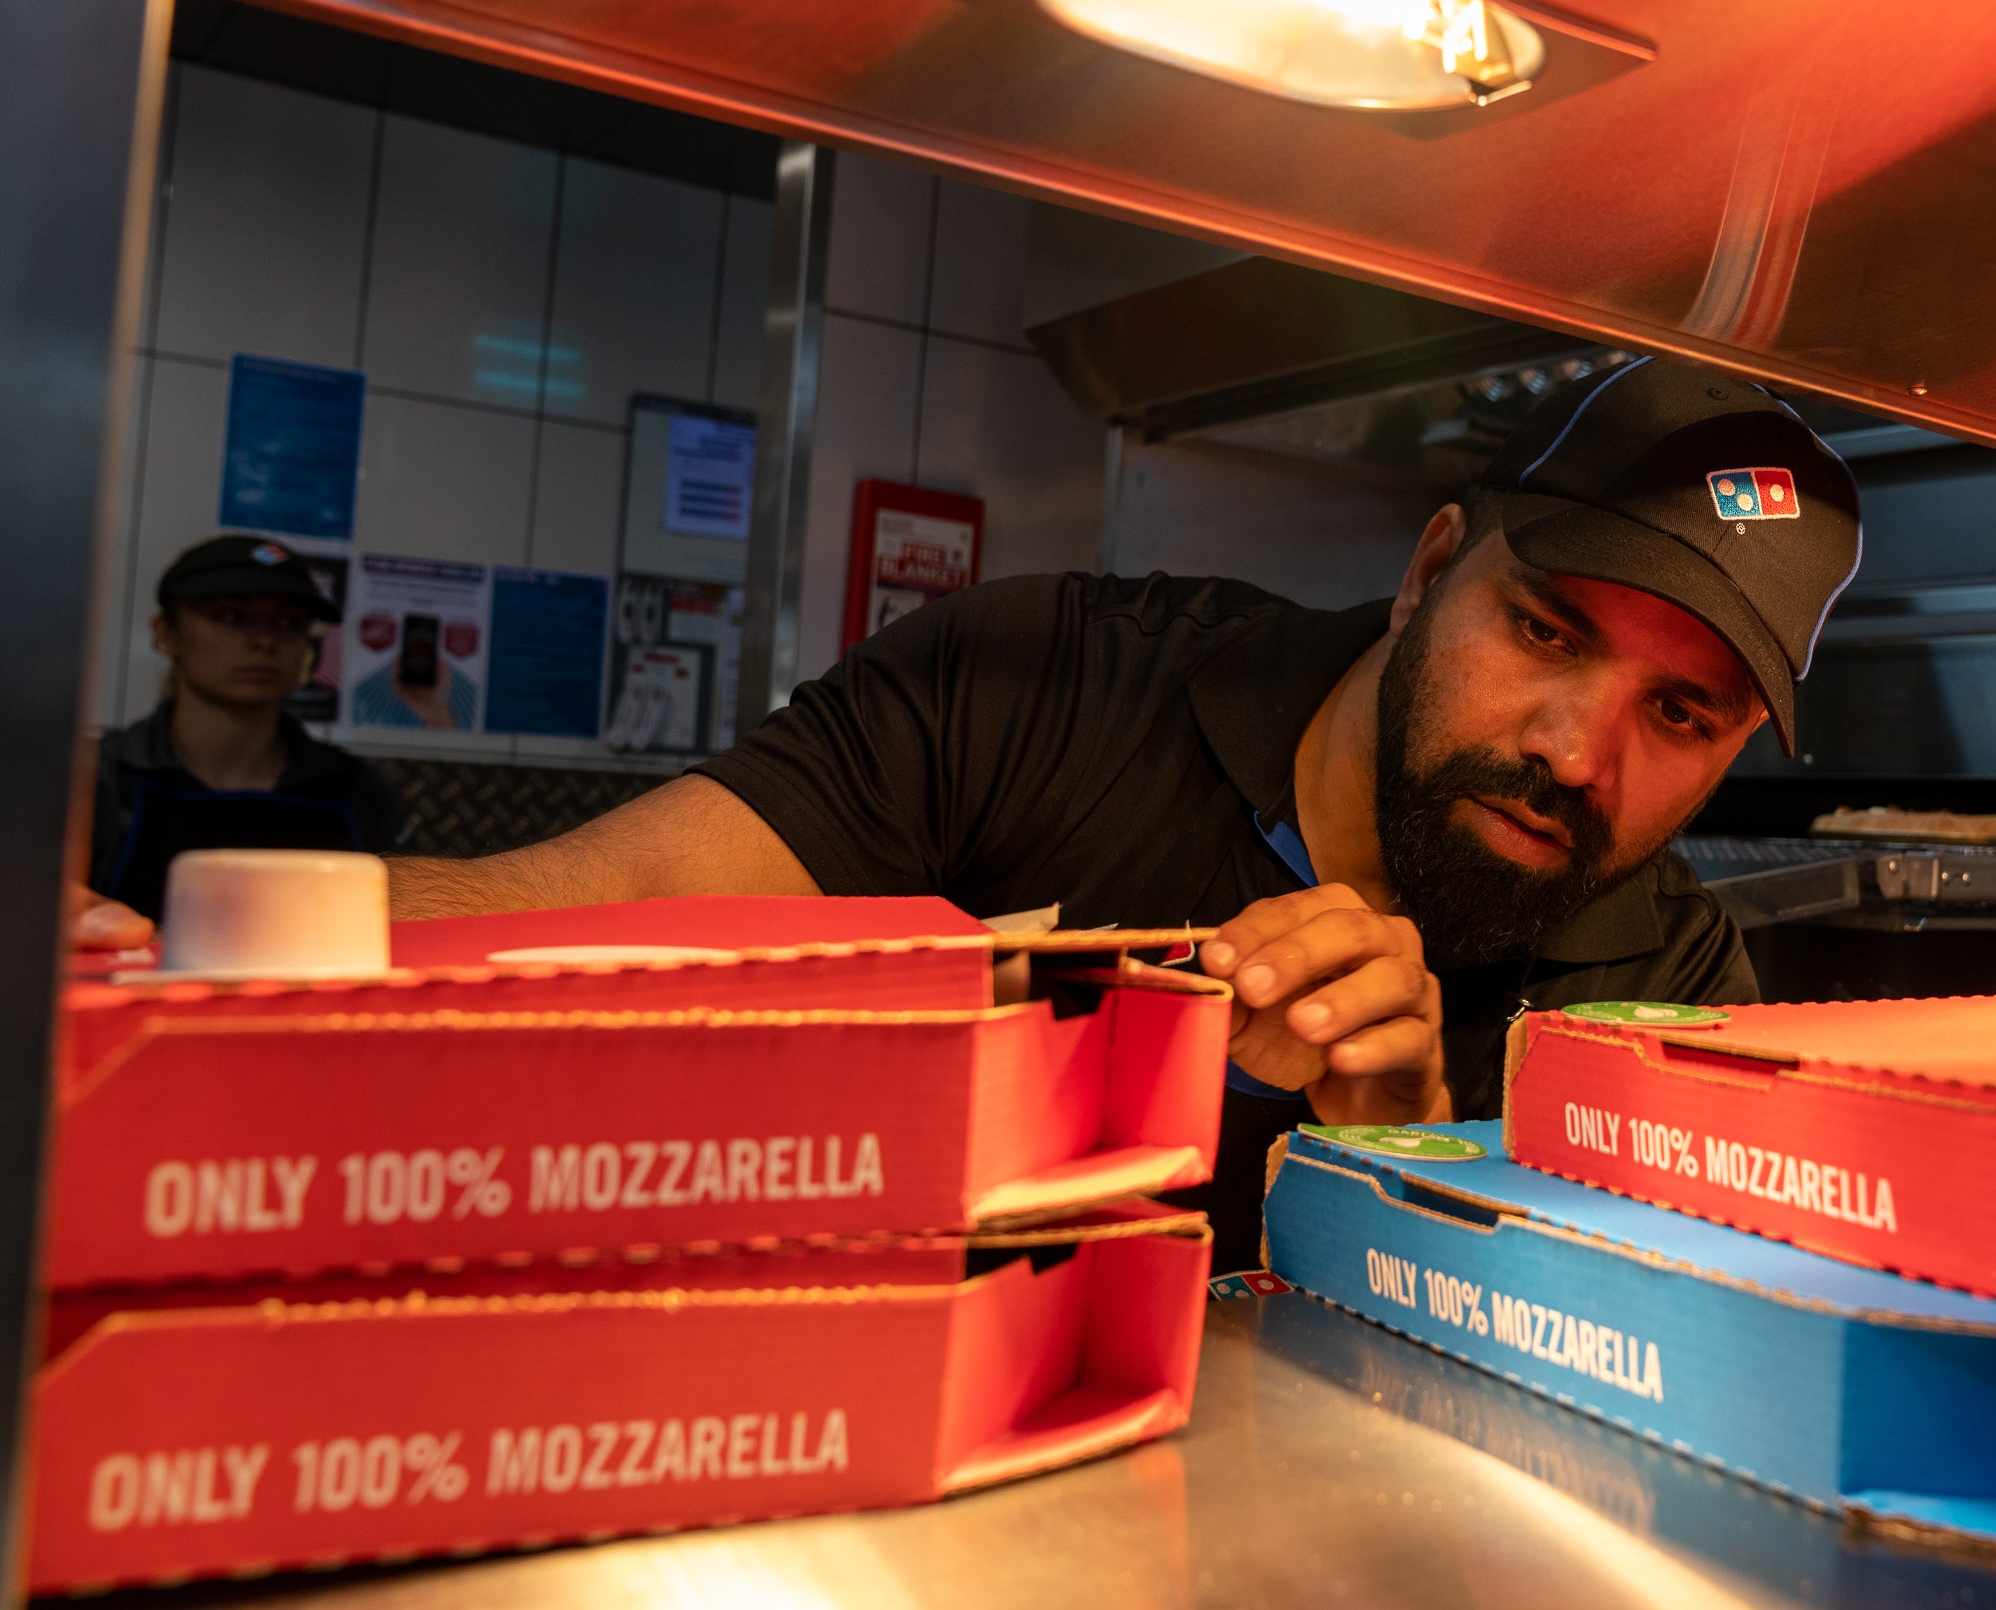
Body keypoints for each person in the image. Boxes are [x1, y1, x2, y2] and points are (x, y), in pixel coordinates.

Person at [87, 360, 1862, 1266]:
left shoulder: (1675, 995)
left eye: (1680, 713)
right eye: (1544, 634)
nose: (1573, 748)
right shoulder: (1048, 684)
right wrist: (163, 958)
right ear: (1429, 573)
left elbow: (1638, 1405)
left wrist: (1402, 1149)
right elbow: (613, 898)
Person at [76, 535, 405, 937]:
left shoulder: (355, 789)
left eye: (289, 623)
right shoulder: (94, 780)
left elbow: (399, 917)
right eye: (231, 616)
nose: (264, 641)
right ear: (166, 633)